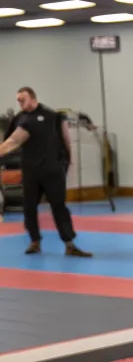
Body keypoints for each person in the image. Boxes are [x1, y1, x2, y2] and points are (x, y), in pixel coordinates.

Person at [0, 87, 90, 257]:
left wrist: (68, 160)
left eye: (22, 99)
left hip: (51, 170)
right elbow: (8, 141)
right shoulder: (19, 118)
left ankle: (69, 243)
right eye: (17, 100)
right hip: (30, 171)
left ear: (33, 98)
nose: (20, 103)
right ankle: (35, 242)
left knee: (59, 207)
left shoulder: (50, 116)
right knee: (29, 207)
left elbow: (65, 138)